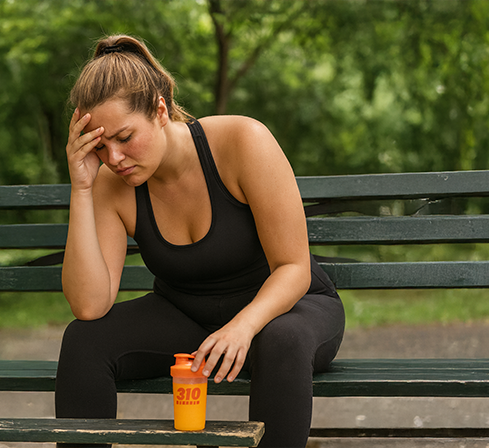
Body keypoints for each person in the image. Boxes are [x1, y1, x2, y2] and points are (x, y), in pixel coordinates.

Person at [56, 34, 345, 448]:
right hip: (188, 315)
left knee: (282, 340)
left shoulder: (243, 142)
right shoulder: (109, 183)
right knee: (84, 341)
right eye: (99, 146)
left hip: (289, 308)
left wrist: (242, 327)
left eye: (123, 137)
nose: (114, 158)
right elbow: (89, 305)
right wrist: (82, 190)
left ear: (159, 111)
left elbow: (293, 268)